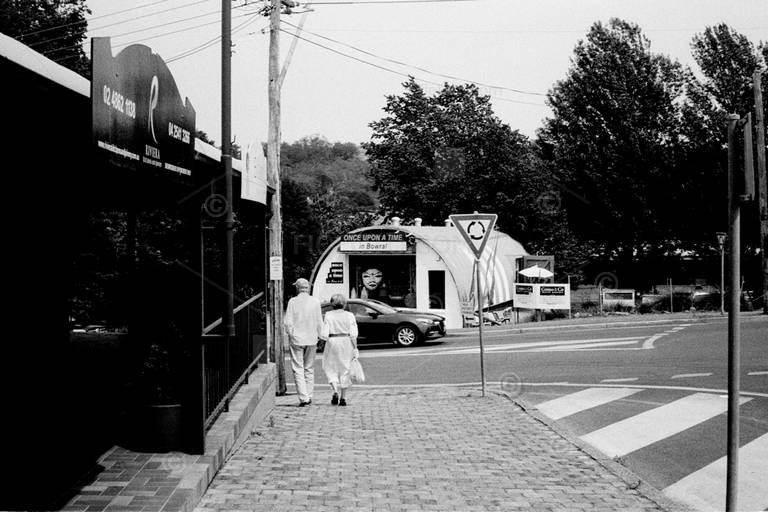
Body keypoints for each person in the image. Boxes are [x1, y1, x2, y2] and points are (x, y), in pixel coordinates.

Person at [283, 278, 324, 407]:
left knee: (298, 368)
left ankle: (303, 397)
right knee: (309, 368)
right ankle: (309, 394)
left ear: (297, 288)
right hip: (311, 338)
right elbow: (319, 321)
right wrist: (321, 336)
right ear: (308, 287)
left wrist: (291, 334)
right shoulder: (315, 301)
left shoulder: (292, 302)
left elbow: (288, 322)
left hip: (297, 338)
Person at [321, 293, 359, 406]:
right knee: (345, 368)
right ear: (344, 303)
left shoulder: (328, 315)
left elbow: (324, 334)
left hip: (333, 341)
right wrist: (355, 348)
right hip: (346, 341)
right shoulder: (350, 315)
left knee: (330, 367)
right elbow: (353, 334)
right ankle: (343, 397)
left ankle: (335, 391)